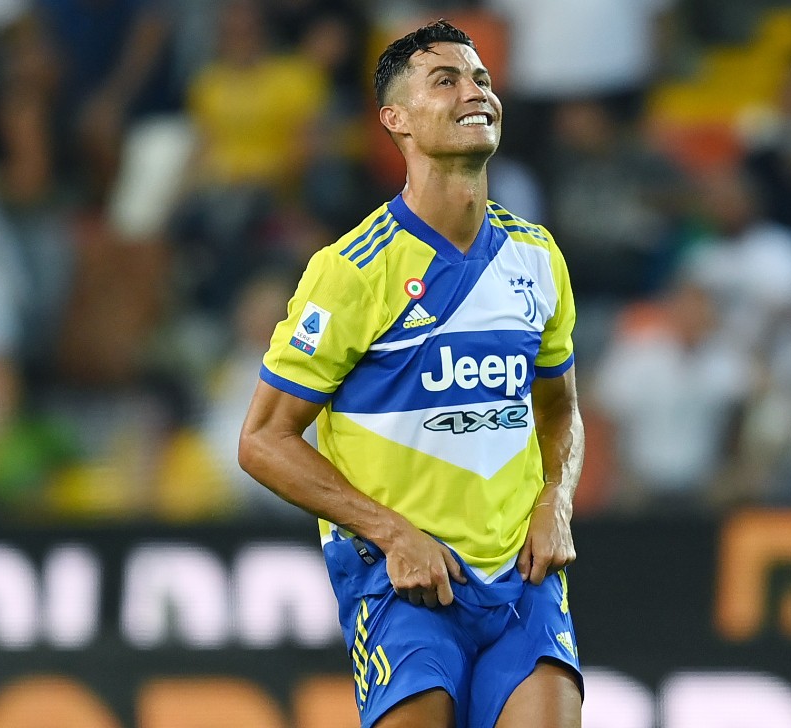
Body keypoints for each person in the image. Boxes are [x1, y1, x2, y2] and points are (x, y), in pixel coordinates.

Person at [237, 20, 584, 728]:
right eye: (446, 81)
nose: (474, 93)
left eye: (481, 79)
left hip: (522, 582)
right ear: (395, 120)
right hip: (405, 589)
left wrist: (556, 499)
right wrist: (392, 533)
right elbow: (263, 440)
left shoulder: (537, 257)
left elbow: (559, 409)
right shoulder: (352, 271)